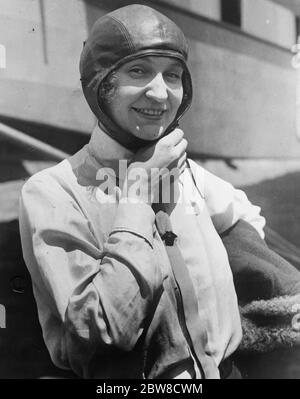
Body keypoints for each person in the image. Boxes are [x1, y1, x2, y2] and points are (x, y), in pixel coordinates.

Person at [19, 4, 266, 379]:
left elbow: (247, 218)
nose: (160, 93)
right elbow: (104, 328)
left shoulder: (185, 170)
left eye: (173, 75)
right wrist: (135, 196)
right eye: (138, 71)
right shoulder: (52, 191)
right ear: (100, 84)